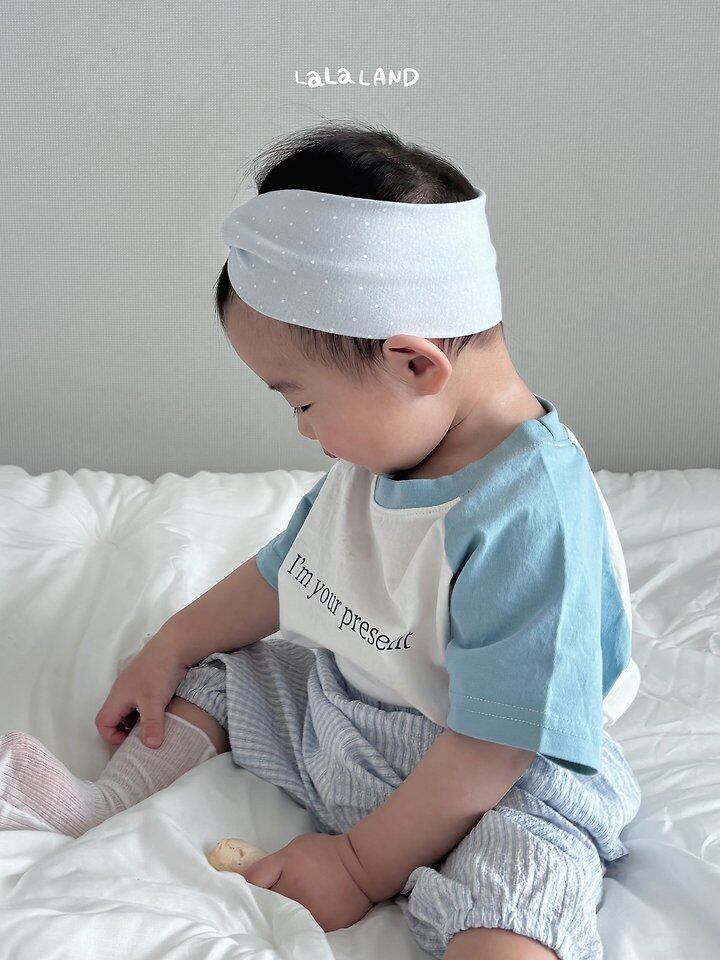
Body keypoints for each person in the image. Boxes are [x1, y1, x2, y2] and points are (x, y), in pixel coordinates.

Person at [0, 123, 642, 960]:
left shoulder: (533, 513)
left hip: (495, 783)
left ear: (415, 364)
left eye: (301, 401)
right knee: (224, 668)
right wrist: (169, 645)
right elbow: (287, 574)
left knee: (517, 900)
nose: (303, 430)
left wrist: (357, 864)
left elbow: (497, 744)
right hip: (351, 719)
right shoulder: (388, 451)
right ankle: (103, 804)